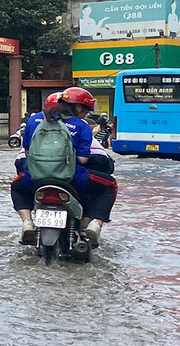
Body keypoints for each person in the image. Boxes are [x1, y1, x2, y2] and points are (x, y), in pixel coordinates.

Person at [10, 87, 117, 246]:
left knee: (15, 186)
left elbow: (27, 151)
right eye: (85, 112)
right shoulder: (80, 126)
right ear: (78, 107)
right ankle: (92, 225)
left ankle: (27, 222)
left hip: (35, 178)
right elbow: (82, 160)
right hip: (71, 178)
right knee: (110, 186)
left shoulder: (33, 121)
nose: (85, 116)